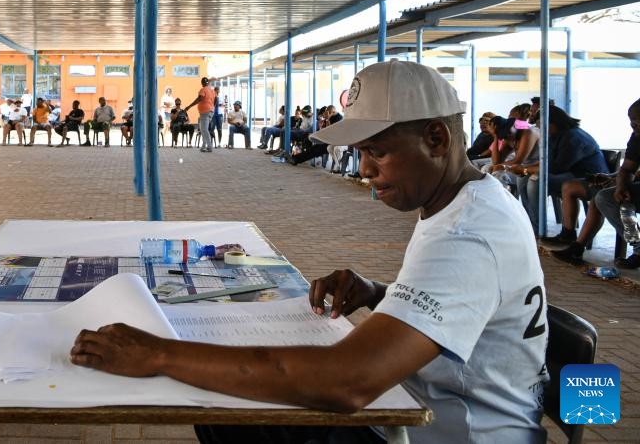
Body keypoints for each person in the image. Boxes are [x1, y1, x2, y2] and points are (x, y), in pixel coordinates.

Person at [71, 60, 548, 444]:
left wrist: (158, 353)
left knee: (230, 407)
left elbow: (348, 382)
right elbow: (464, 308)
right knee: (231, 401)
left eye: (376, 152)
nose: (364, 171)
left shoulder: (467, 235)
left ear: (436, 139)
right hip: (426, 409)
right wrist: (380, 294)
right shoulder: (472, 202)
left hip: (452, 433)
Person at [553, 98, 640, 267]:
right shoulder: (637, 137)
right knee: (603, 198)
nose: (633, 128)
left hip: (577, 173)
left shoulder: (572, 137)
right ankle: (638, 248)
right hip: (611, 179)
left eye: (636, 123)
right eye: (631, 123)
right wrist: (619, 184)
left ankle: (575, 245)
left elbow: (557, 166)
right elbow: (628, 169)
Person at [526, 104, 608, 243]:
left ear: (554, 123)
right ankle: (532, 225)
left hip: (590, 178)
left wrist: (526, 169)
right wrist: (527, 169)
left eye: (542, 125)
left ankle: (537, 230)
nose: (540, 129)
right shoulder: (557, 135)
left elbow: (557, 167)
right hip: (572, 173)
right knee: (525, 180)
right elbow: (548, 162)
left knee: (536, 181)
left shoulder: (573, 137)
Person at [183, 76, 216, 152]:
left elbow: (199, 99)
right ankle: (203, 146)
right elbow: (215, 100)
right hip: (210, 111)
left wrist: (189, 106)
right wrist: (212, 107)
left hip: (205, 112)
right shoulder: (212, 91)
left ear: (202, 83)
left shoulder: (203, 89)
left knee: (204, 129)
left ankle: (209, 146)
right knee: (203, 129)